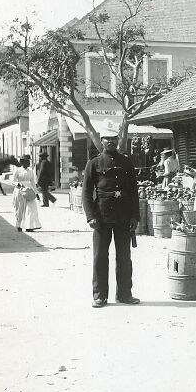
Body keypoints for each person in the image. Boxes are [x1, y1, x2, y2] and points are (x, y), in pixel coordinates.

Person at [82, 127, 140, 308]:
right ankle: (99, 295)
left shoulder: (126, 163)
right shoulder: (94, 163)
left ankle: (124, 294)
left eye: (114, 138)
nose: (111, 142)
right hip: (101, 217)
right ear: (101, 140)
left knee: (124, 256)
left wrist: (135, 216)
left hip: (123, 216)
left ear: (118, 140)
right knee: (100, 256)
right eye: (107, 139)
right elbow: (86, 192)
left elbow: (133, 191)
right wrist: (90, 216)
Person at [12, 156, 42, 232]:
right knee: (20, 208)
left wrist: (36, 193)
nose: (29, 163)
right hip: (20, 190)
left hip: (29, 190)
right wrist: (18, 184)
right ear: (22, 162)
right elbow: (13, 180)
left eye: (29, 161)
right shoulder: (18, 170)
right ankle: (19, 225)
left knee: (30, 208)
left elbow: (33, 183)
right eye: (27, 161)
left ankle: (29, 226)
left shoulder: (31, 171)